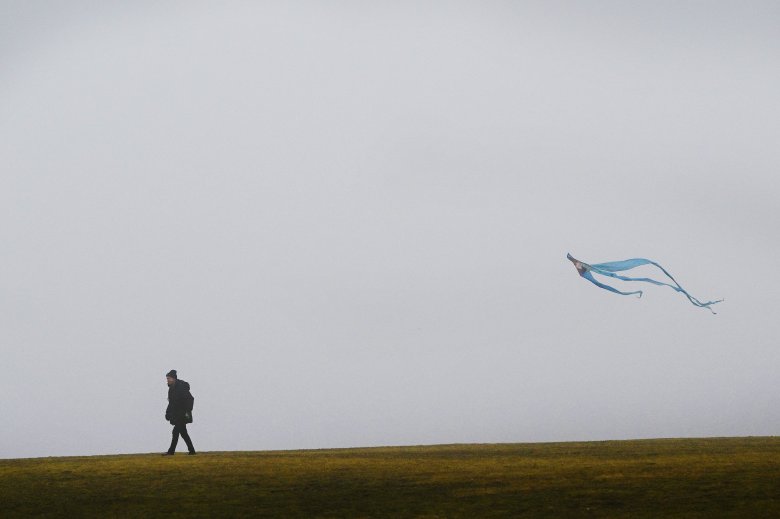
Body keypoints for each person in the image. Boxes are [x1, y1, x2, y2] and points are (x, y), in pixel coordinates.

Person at [163, 369, 196, 455]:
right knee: (183, 433)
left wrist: (186, 412)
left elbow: (190, 399)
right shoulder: (171, 389)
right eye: (167, 378)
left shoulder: (181, 387)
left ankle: (171, 451)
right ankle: (192, 451)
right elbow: (171, 403)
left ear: (173, 379)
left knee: (175, 432)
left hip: (182, 415)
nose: (167, 380)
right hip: (176, 415)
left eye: (168, 378)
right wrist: (168, 413)